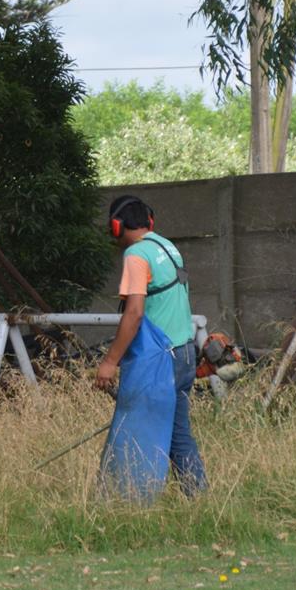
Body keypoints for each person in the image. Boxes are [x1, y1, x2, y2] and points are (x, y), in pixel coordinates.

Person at [94, 195, 207, 500]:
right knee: (178, 435)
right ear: (150, 221)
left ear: (116, 227)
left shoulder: (136, 255)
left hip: (159, 359)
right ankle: (201, 501)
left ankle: (131, 504)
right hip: (184, 354)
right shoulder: (168, 247)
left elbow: (134, 313)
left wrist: (109, 362)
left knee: (136, 435)